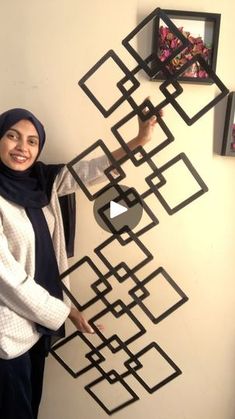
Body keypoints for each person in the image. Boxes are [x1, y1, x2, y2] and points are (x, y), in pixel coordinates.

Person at [0, 107, 157, 419]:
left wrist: (138, 141)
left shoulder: (42, 183)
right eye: (12, 136)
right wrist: (67, 311)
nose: (22, 147)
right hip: (6, 331)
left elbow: (89, 172)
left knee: (31, 408)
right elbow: (8, 279)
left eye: (32, 141)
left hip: (35, 326)